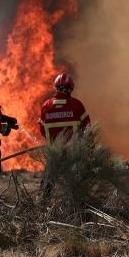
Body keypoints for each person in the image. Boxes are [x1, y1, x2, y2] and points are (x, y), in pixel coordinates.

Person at [37, 72, 91, 200]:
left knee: (47, 183)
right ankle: (74, 209)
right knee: (73, 184)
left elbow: (42, 130)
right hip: (72, 153)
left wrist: (53, 141)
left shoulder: (46, 106)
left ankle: (42, 206)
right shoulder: (77, 105)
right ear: (70, 89)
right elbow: (88, 128)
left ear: (56, 88)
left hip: (54, 152)